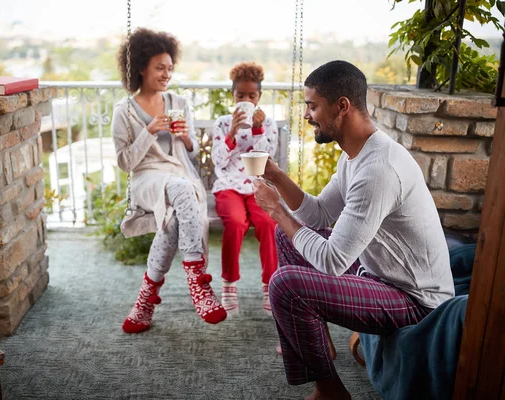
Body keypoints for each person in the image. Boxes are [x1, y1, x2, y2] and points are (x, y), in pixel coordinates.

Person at [252, 60, 455, 400]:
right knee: (284, 239)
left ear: (342, 106)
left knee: (285, 286)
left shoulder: (379, 170)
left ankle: (331, 392)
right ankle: (320, 345)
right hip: (378, 272)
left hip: (414, 300)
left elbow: (331, 261)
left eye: (312, 106)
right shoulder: (355, 155)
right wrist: (277, 176)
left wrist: (275, 209)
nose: (306, 115)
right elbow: (317, 215)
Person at [112, 28, 227, 334]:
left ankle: (144, 303)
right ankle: (197, 279)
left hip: (178, 173)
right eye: (159, 68)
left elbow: (188, 155)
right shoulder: (123, 111)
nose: (166, 74)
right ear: (141, 68)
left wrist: (187, 138)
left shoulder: (178, 102)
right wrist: (148, 131)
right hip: (146, 179)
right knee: (182, 190)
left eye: (170, 68)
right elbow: (125, 162)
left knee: (175, 217)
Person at [210, 62, 278, 317]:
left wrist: (258, 129)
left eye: (252, 96)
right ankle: (229, 285)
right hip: (228, 186)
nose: (246, 100)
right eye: (241, 96)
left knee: (268, 223)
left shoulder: (267, 124)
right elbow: (218, 161)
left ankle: (271, 285)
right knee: (236, 223)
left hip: (257, 185)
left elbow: (266, 159)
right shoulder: (222, 123)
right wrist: (231, 133)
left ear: (259, 97)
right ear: (233, 97)